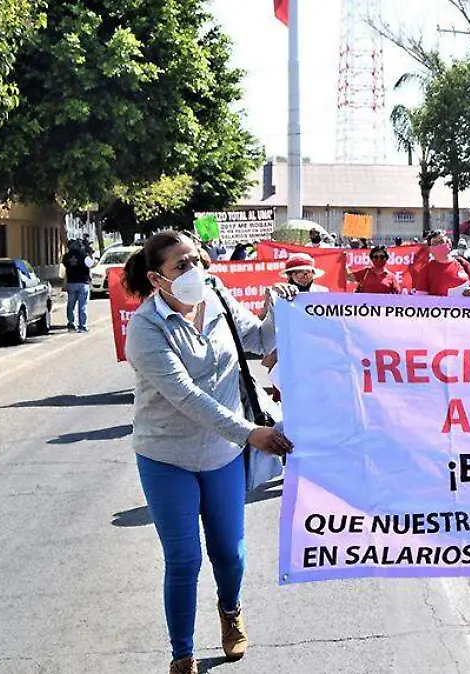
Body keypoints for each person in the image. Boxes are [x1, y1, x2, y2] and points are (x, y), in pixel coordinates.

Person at [122, 231, 296, 674]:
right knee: (184, 559)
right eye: (181, 265)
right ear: (156, 278)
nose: (194, 270)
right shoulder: (145, 328)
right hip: (166, 457)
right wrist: (250, 433)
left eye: (197, 259)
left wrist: (278, 305)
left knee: (230, 553)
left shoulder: (216, 295)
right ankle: (182, 654)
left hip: (221, 454)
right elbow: (185, 396)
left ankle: (230, 610)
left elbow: (258, 339)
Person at [415, 229, 470, 297]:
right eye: (435, 243)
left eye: (442, 241)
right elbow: (421, 299)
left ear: (449, 243)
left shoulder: (463, 263)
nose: (439, 245)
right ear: (430, 248)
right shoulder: (425, 270)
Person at [62, 239, 95, 332]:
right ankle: (82, 326)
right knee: (82, 305)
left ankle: (71, 324)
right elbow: (92, 264)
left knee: (70, 304)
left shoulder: (66, 257)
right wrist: (90, 254)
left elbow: (65, 265)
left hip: (71, 282)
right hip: (82, 282)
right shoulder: (84, 256)